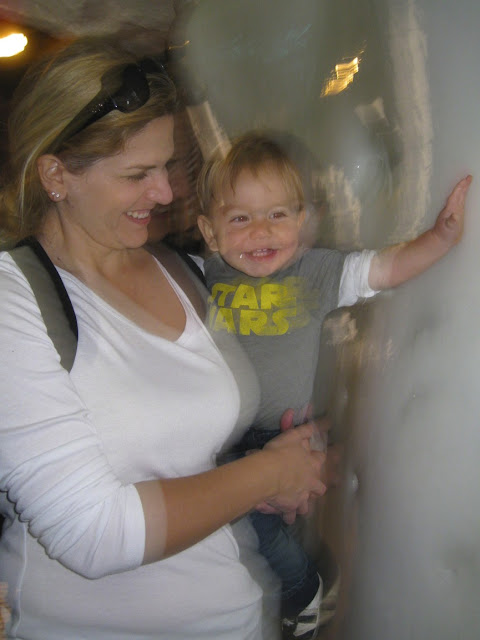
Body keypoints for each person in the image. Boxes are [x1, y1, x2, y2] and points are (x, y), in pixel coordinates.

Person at [0, 39, 327, 640]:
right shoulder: (14, 299)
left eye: (167, 166)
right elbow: (91, 533)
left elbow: (192, 456)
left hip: (237, 618)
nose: (166, 193)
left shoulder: (191, 272)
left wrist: (278, 467)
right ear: (55, 175)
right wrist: (267, 475)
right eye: (136, 175)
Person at [196, 131, 472, 639]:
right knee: (228, 522)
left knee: (246, 522)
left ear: (302, 221)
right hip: (221, 435)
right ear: (210, 233)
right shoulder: (202, 277)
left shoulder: (315, 272)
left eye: (278, 215)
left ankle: (304, 586)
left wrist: (439, 239)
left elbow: (383, 270)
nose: (261, 231)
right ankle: (302, 573)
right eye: (240, 219)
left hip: (284, 434)